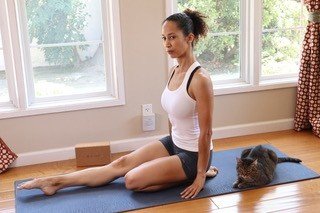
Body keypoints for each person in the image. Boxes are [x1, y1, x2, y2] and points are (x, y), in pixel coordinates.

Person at [18, 9, 217, 199]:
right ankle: (55, 182)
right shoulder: (174, 70)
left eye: (172, 37)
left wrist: (199, 174)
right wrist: (168, 149)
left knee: (131, 180)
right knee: (121, 163)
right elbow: (173, 116)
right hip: (174, 142)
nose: (167, 43)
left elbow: (206, 132)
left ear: (189, 38)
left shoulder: (200, 79)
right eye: (164, 38)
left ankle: (194, 174)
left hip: (194, 154)